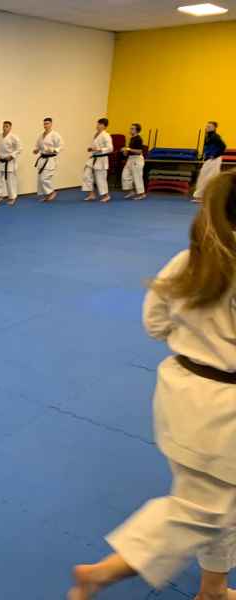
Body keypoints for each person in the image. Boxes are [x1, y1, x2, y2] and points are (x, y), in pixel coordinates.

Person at [68, 171, 236, 600]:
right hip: (224, 412)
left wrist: (198, 339)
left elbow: (154, 323)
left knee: (222, 503)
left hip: (180, 393)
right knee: (201, 510)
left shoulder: (187, 261)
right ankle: (104, 572)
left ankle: (213, 588)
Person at [193, 121, 227, 204]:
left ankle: (207, 196)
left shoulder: (215, 137)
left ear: (214, 128)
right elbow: (207, 148)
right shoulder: (207, 137)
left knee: (210, 178)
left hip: (214, 160)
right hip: (208, 159)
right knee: (203, 176)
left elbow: (223, 146)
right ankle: (201, 196)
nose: (207, 128)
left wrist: (215, 155)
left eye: (210, 127)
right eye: (207, 126)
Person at [82, 118, 114, 203]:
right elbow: (95, 147)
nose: (97, 125)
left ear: (104, 126)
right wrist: (91, 149)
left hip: (102, 158)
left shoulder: (106, 135)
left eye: (99, 124)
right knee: (86, 175)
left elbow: (110, 148)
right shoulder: (96, 134)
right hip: (94, 157)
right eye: (97, 124)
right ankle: (91, 194)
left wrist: (99, 149)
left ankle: (106, 195)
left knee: (101, 178)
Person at [33, 117, 64, 203]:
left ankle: (52, 192)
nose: (45, 125)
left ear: (51, 124)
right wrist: (36, 150)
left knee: (44, 178)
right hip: (42, 158)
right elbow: (38, 146)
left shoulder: (55, 135)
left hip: (50, 159)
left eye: (47, 123)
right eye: (44, 124)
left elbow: (61, 146)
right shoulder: (41, 135)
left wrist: (54, 150)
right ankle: (47, 195)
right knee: (40, 178)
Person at [0, 121, 22, 206]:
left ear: (10, 127)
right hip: (1, 161)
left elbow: (19, 148)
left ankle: (12, 197)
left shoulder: (14, 137)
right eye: (3, 126)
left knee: (10, 180)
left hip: (9, 161)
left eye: (6, 126)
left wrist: (12, 156)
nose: (4, 128)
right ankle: (0, 195)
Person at [122, 123, 146, 200]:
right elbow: (129, 150)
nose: (130, 130)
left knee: (137, 177)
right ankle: (131, 191)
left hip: (137, 159)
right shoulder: (131, 138)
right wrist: (125, 151)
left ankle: (142, 194)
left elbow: (139, 151)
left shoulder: (139, 139)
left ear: (137, 130)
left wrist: (129, 149)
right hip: (130, 159)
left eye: (132, 129)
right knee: (125, 175)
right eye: (130, 128)